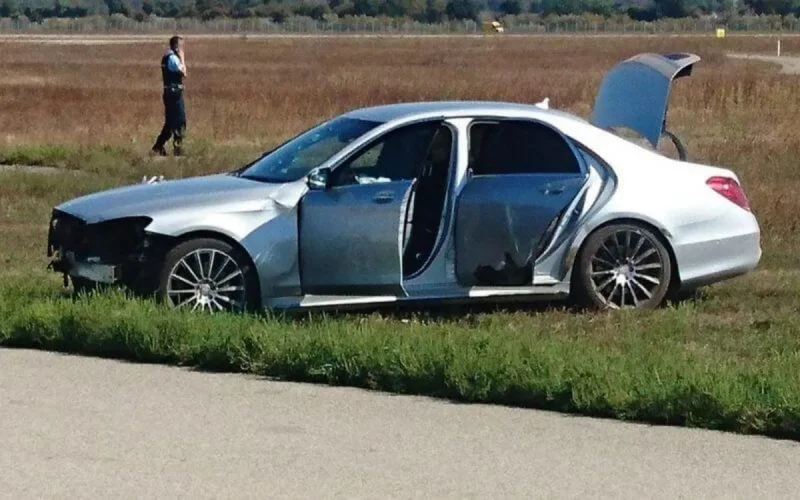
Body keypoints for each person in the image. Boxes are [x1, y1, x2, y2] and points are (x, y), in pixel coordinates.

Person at [152, 35, 187, 157]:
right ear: (176, 46)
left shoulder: (167, 57)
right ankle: (177, 150)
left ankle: (158, 147)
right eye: (181, 46)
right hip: (174, 94)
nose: (183, 49)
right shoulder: (172, 58)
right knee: (180, 121)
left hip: (170, 93)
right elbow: (183, 72)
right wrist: (182, 58)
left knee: (171, 123)